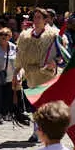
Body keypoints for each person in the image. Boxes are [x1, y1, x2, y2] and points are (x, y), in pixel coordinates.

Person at [15, 9, 62, 141]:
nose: (36, 20)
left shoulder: (54, 35)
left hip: (48, 75)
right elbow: (20, 57)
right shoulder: (25, 37)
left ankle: (49, 130)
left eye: (39, 17)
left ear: (45, 19)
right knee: (35, 105)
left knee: (47, 105)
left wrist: (56, 61)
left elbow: (62, 54)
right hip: (31, 75)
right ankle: (37, 131)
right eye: (34, 17)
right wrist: (16, 73)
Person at [0, 27, 20, 124]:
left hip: (9, 76)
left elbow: (17, 62)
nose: (3, 36)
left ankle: (5, 113)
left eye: (6, 35)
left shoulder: (13, 47)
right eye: (1, 34)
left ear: (10, 36)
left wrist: (17, 75)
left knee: (7, 96)